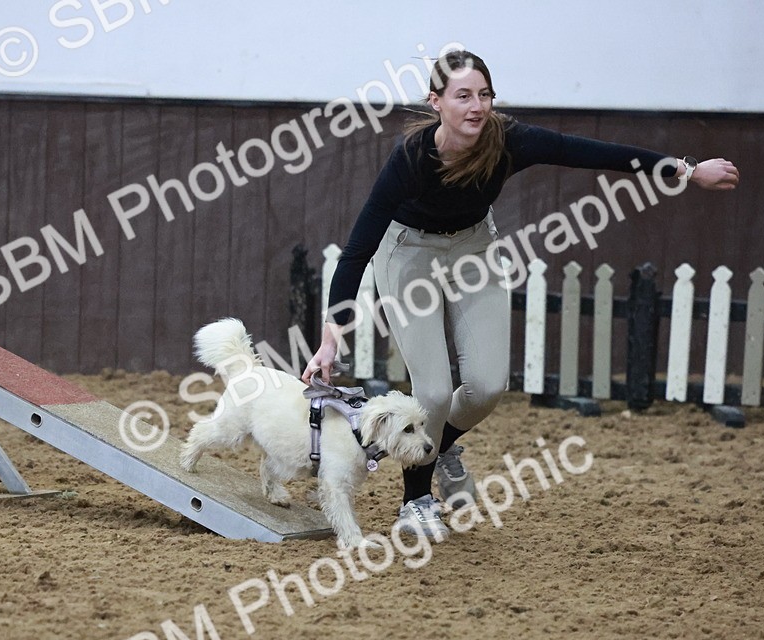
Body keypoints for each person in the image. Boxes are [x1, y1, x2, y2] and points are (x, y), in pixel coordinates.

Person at [301, 49, 739, 538]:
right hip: (408, 254)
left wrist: (685, 169)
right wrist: (331, 336)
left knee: (487, 387)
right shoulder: (411, 158)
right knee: (434, 392)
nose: (476, 106)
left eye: (484, 94)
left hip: (475, 249)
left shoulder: (509, 141)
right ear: (436, 102)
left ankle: (439, 446)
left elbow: (592, 152)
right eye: (463, 96)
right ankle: (416, 500)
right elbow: (358, 248)